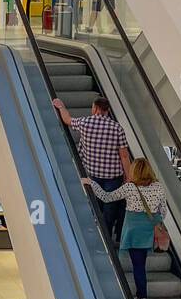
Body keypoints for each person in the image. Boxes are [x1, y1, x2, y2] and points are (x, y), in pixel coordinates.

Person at [83, 157, 168, 299]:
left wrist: (92, 183)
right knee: (140, 263)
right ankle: (141, 296)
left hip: (132, 230)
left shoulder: (130, 188)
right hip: (148, 229)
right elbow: (163, 212)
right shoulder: (158, 187)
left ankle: (141, 296)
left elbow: (107, 197)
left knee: (137, 264)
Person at [52, 95, 130, 246]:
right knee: (110, 208)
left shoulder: (86, 123)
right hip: (114, 176)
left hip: (94, 175)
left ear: (94, 108)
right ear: (107, 110)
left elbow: (67, 120)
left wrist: (61, 107)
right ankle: (107, 239)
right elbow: (124, 156)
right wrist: (128, 177)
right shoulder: (117, 128)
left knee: (96, 206)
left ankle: (97, 236)